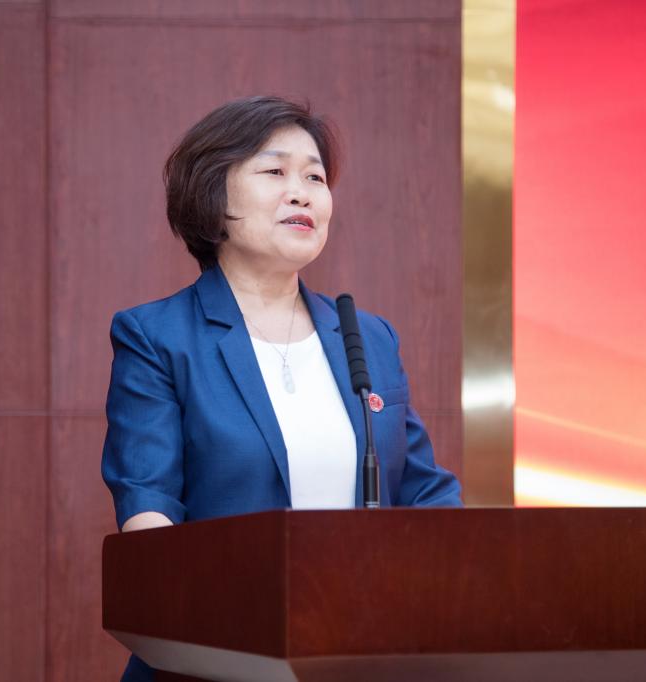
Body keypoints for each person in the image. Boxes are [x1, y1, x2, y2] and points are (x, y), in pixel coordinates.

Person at [101, 96, 462, 681]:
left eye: (314, 178)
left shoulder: (367, 338)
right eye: (274, 172)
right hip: (211, 658)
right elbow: (149, 511)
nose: (302, 193)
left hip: (356, 657)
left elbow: (424, 494)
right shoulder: (158, 337)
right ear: (213, 197)